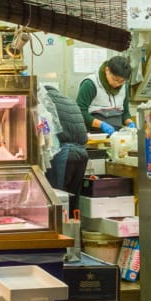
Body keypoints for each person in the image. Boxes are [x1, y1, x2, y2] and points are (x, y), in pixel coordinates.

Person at [39, 84, 91, 215]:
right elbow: (84, 137)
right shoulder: (68, 100)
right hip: (82, 154)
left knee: (58, 200)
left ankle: (61, 232)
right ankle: (73, 231)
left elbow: (46, 135)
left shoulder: (44, 102)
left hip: (63, 155)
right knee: (73, 201)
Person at [76, 55, 135, 136]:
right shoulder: (90, 84)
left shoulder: (124, 87)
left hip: (116, 134)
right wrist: (101, 124)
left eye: (122, 81)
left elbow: (125, 113)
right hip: (94, 134)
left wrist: (130, 123)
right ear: (107, 70)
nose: (118, 84)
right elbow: (80, 112)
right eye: (115, 80)